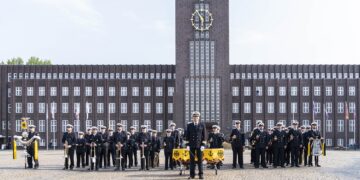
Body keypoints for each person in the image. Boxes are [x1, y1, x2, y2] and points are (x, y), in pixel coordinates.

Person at [185, 111, 206, 179]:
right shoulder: (189, 125)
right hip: (191, 145)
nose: (195, 118)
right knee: (192, 161)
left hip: (199, 146)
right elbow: (187, 136)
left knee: (200, 160)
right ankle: (192, 175)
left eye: (197, 117)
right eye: (194, 117)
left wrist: (203, 144)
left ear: (199, 118)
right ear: (192, 118)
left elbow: (204, 136)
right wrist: (187, 145)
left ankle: (201, 174)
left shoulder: (202, 125)